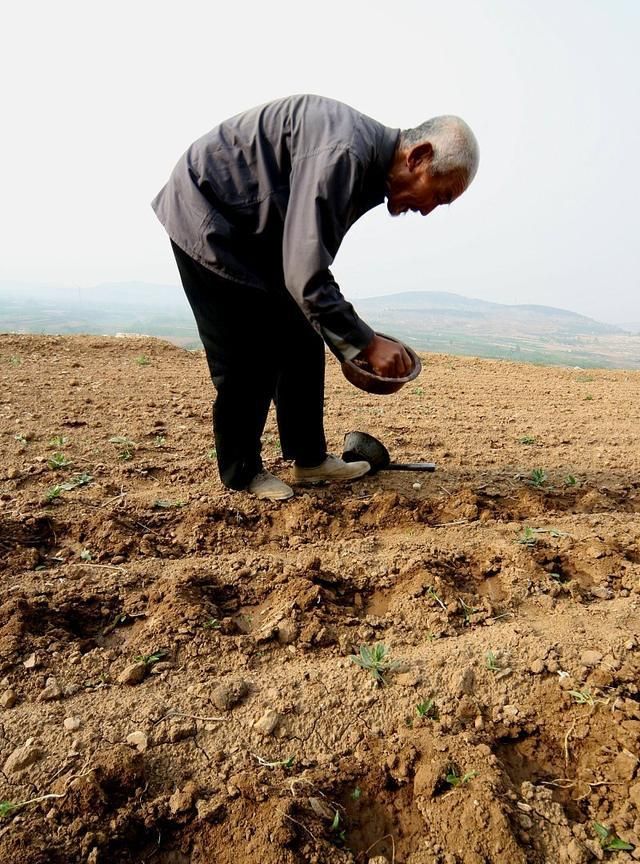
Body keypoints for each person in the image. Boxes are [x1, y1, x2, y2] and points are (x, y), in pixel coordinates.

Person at [152, 95, 479, 501]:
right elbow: (306, 275)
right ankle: (242, 472)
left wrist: (351, 339)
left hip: (257, 234)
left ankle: (309, 459)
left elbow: (307, 267)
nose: (429, 211)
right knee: (247, 350)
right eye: (440, 196)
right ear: (419, 157)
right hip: (209, 214)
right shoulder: (345, 155)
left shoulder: (367, 166)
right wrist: (365, 342)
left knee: (301, 334)